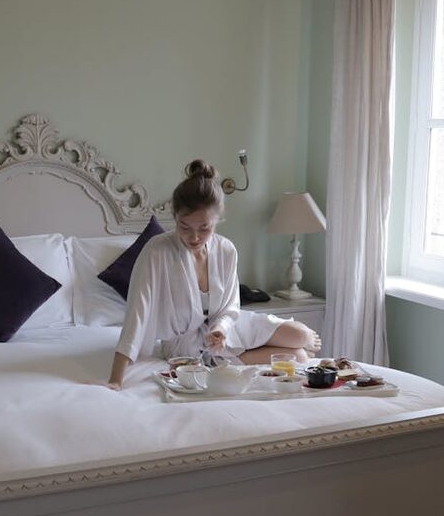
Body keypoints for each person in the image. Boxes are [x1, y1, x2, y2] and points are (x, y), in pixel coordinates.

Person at [104, 160, 321, 390]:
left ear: (217, 220)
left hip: (226, 327)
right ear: (175, 217)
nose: (194, 237)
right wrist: (115, 380)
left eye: (204, 228)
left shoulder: (226, 249)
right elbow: (137, 315)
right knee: (299, 358)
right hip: (186, 343)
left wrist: (220, 329)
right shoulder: (157, 251)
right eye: (184, 227)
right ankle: (234, 358)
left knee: (300, 335)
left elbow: (230, 306)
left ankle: (249, 349)